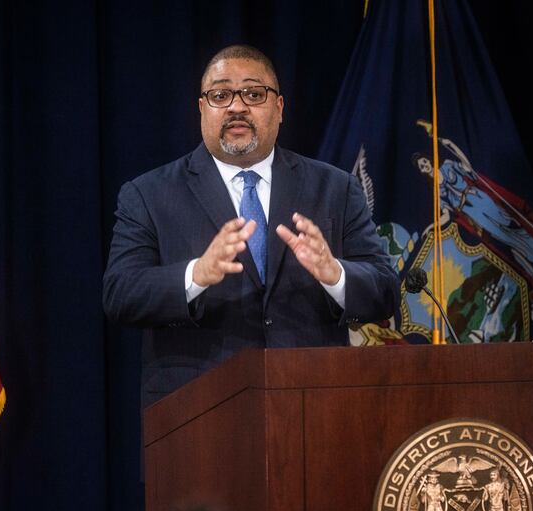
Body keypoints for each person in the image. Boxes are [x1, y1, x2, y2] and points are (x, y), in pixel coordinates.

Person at [103, 45, 399, 407]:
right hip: (195, 410)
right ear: (202, 108)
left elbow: (385, 292)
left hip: (310, 403)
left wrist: (335, 274)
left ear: (279, 108)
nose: (237, 107)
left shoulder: (335, 188)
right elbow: (120, 294)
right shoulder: (148, 194)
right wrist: (196, 275)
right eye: (221, 95)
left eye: (254, 94)